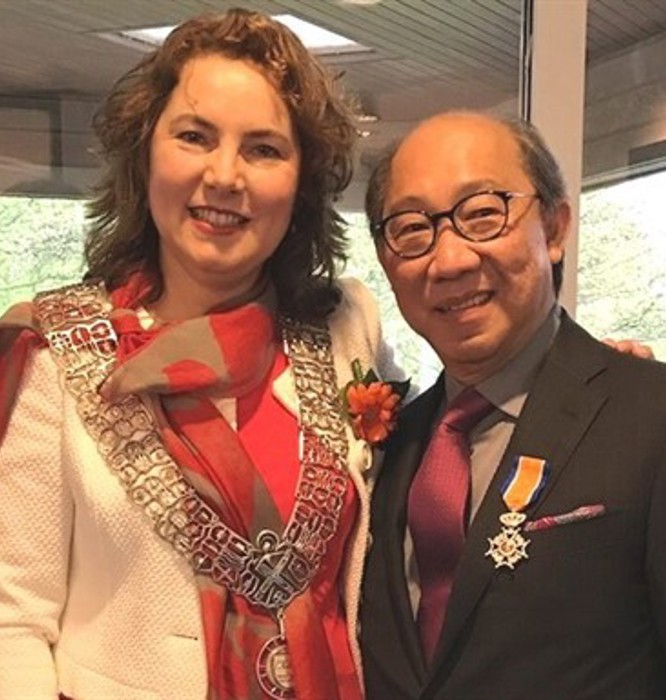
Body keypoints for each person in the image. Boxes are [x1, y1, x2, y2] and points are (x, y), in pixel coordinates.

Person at [0, 9, 399, 700]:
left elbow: (412, 499)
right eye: (194, 137)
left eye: (263, 149)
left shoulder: (346, 326)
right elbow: (12, 621)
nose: (225, 175)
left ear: (301, 183)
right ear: (145, 153)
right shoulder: (53, 353)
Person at [359, 111, 666, 700]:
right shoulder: (386, 449)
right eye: (412, 228)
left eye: (483, 214)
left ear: (555, 227)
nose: (451, 260)